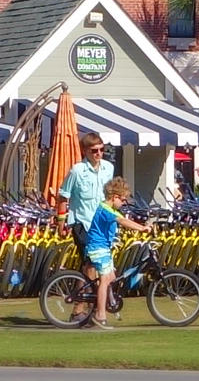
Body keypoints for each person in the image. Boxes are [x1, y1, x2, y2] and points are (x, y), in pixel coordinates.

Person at [56, 130, 112, 325]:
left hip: (101, 225)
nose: (99, 154)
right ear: (85, 151)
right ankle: (81, 308)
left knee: (99, 266)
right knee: (90, 264)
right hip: (82, 222)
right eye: (94, 150)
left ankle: (91, 306)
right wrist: (61, 223)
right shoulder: (77, 171)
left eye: (102, 149)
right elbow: (63, 197)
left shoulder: (108, 169)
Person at [85, 178, 151, 330]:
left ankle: (109, 304)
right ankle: (100, 316)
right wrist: (141, 229)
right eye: (122, 200)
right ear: (114, 197)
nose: (123, 203)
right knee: (105, 280)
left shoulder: (110, 209)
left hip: (103, 248)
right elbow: (122, 221)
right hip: (97, 248)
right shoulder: (105, 210)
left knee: (112, 277)